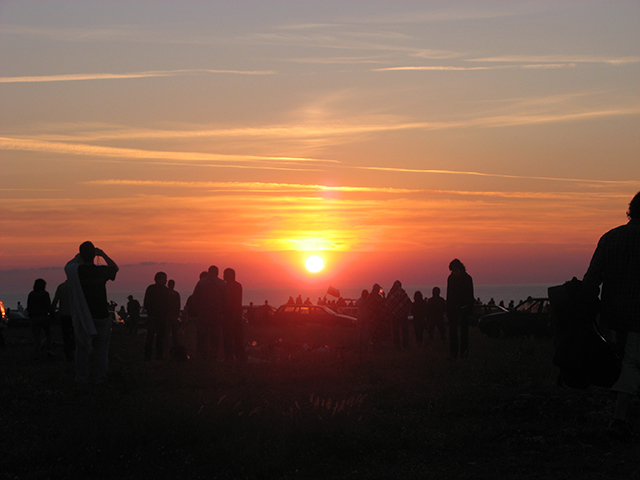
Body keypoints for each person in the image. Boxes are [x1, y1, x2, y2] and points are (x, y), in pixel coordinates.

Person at [583, 191, 640, 441]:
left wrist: (590, 314)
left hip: (612, 317)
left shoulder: (610, 238)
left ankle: (620, 414)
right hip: (638, 316)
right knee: (632, 364)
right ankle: (618, 418)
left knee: (624, 364)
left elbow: (592, 280)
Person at [65, 241, 118, 384]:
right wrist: (102, 254)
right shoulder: (101, 271)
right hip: (101, 315)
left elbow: (67, 265)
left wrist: (80, 256)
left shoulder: (76, 271)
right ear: (93, 255)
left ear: (81, 255)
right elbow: (114, 268)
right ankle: (100, 377)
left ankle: (82, 377)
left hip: (84, 315)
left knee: (81, 348)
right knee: (101, 349)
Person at [191, 265, 229, 361]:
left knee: (202, 336)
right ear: (217, 272)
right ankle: (213, 355)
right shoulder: (222, 284)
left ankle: (202, 355)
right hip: (217, 313)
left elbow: (195, 298)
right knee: (215, 337)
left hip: (203, 313)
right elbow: (226, 300)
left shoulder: (201, 283)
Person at [446, 259, 474, 359]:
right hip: (453, 309)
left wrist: (470, 310)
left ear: (460, 269)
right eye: (452, 271)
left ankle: (464, 352)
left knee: (464, 332)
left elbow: (471, 295)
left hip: (464, 308)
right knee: (452, 332)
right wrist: (448, 309)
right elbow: (449, 294)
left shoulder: (467, 279)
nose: (454, 273)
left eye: (455, 270)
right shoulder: (451, 278)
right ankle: (453, 354)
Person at [143, 271, 170, 361]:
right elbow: (146, 303)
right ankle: (149, 354)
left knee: (160, 337)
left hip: (161, 317)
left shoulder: (165, 290)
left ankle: (158, 354)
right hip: (154, 317)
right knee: (151, 336)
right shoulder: (151, 289)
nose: (166, 281)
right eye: (164, 279)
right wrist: (152, 313)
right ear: (158, 279)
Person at [223, 268, 246, 363]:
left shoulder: (225, 286)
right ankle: (240, 356)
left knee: (228, 336)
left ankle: (229, 356)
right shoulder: (238, 285)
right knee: (238, 336)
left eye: (224, 274)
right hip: (237, 313)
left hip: (229, 313)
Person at [27, 278, 53, 359]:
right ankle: (48, 349)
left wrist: (31, 316)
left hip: (35, 317)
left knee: (36, 336)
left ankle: (36, 352)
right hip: (44, 316)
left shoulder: (31, 294)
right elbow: (48, 306)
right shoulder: (45, 294)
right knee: (48, 334)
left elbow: (29, 307)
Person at [51, 280, 75, 361]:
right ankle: (71, 349)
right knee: (75, 333)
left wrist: (52, 312)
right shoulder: (76, 287)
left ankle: (68, 350)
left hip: (63, 314)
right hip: (74, 314)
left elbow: (55, 300)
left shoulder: (61, 287)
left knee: (66, 334)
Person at [385, 280, 412, 350]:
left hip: (394, 316)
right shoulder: (403, 293)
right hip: (403, 315)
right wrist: (405, 311)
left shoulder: (391, 293)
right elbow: (408, 303)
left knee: (395, 331)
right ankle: (405, 344)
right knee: (405, 330)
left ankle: (397, 345)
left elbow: (387, 304)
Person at [167, 279, 182, 349]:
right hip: (172, 314)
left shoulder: (165, 293)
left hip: (168, 314)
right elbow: (178, 305)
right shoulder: (176, 294)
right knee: (173, 331)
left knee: (168, 330)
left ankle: (168, 343)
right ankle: (174, 342)